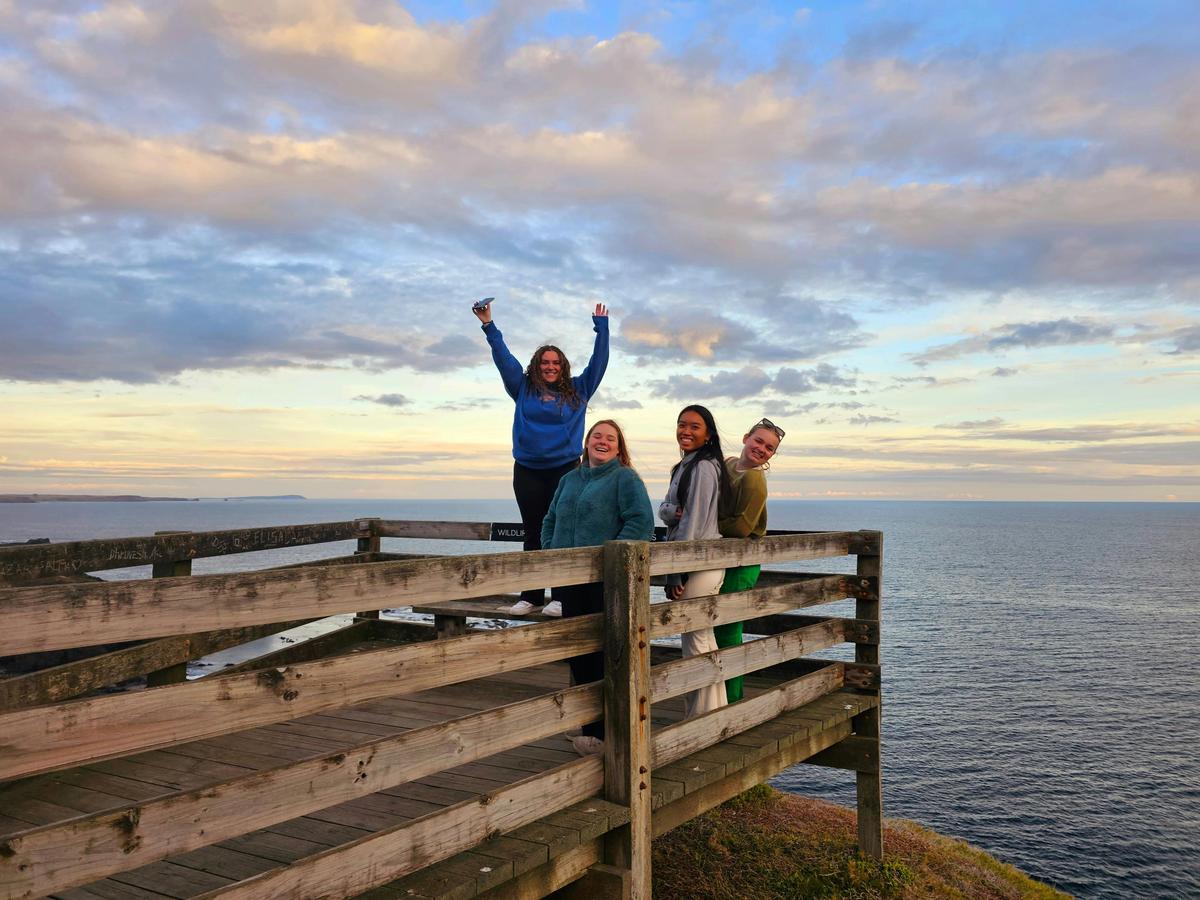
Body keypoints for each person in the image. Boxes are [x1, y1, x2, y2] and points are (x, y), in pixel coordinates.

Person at [474, 300, 609, 610]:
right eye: (545, 362)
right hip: (527, 470)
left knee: (561, 532)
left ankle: (561, 598)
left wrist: (602, 329)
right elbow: (504, 360)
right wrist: (489, 325)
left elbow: (599, 362)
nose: (550, 367)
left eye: (556, 363)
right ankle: (531, 597)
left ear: (563, 366)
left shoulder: (579, 389)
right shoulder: (522, 388)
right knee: (533, 532)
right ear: (537, 365)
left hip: (566, 470)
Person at [541, 419, 654, 755]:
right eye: (597, 436)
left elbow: (641, 522)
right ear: (587, 441)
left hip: (605, 583)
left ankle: (607, 733)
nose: (603, 441)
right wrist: (550, 551)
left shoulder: (625, 478)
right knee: (578, 653)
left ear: (619, 448)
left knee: (604, 656)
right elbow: (550, 519)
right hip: (568, 580)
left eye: (611, 438)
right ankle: (590, 728)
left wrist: (610, 560)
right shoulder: (569, 479)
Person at [658, 404, 733, 719]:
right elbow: (668, 511)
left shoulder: (702, 467)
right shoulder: (686, 465)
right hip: (698, 561)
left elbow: (693, 523)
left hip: (698, 563)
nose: (685, 431)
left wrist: (677, 572)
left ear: (708, 434)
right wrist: (668, 510)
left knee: (696, 640)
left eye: (694, 426)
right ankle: (714, 712)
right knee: (703, 638)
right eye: (681, 424)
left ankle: (701, 718)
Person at [715, 417, 784, 703]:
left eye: (769, 448)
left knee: (727, 630)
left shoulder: (754, 478)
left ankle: (731, 699)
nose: (762, 449)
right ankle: (715, 696)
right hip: (721, 558)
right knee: (713, 627)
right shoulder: (729, 464)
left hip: (741, 563)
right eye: (759, 441)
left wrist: (706, 526)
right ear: (746, 438)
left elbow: (742, 528)